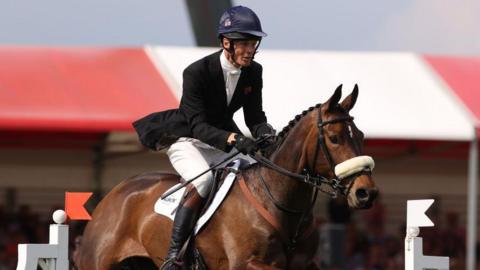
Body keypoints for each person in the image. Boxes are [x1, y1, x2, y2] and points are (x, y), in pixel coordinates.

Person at [133, 5, 275, 269]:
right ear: (226, 43)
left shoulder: (254, 71)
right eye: (243, 43)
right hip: (188, 140)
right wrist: (233, 139)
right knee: (205, 181)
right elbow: (198, 126)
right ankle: (174, 256)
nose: (250, 50)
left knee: (255, 173)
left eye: (253, 43)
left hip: (221, 140)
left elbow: (254, 116)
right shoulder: (196, 72)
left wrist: (263, 130)